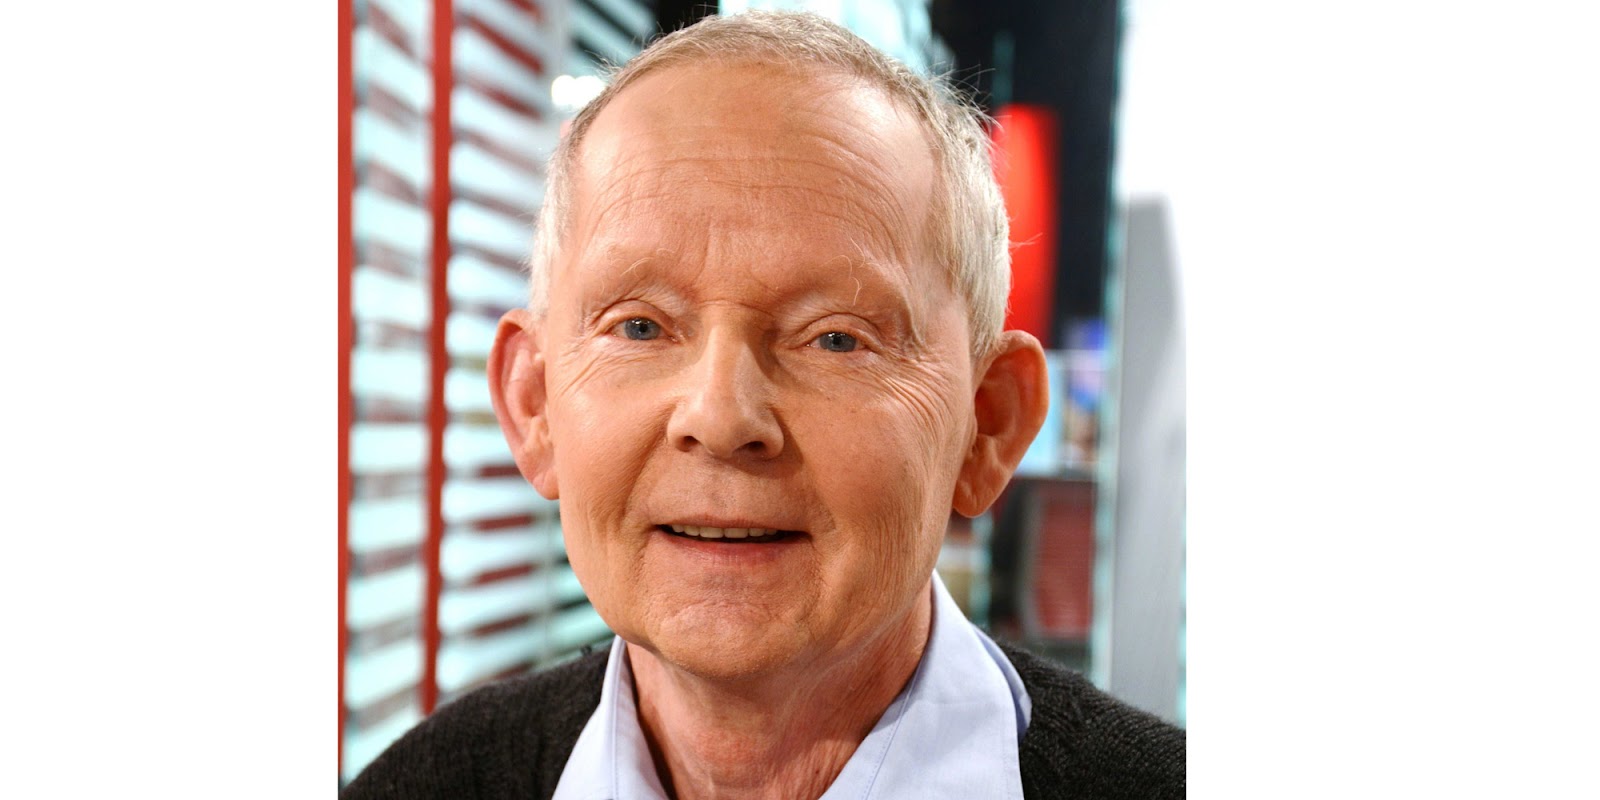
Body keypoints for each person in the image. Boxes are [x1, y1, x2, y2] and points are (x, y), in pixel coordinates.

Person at [345, 10, 1183, 799]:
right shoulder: (425, 783)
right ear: (533, 405)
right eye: (639, 326)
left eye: (837, 338)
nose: (720, 417)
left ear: (987, 423)